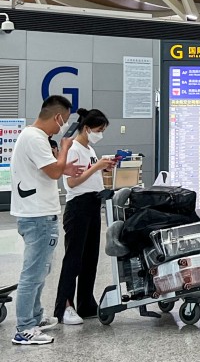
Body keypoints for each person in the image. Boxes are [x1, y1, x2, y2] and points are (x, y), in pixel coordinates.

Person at [10, 96, 79, 345]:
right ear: (58, 117)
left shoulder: (33, 137)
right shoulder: (35, 138)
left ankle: (35, 317)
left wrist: (63, 166)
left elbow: (52, 171)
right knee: (33, 273)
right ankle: (24, 328)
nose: (65, 126)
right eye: (65, 120)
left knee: (41, 270)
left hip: (38, 214)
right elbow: (53, 171)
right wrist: (65, 148)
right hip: (37, 216)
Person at [53, 109, 115, 325]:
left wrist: (101, 168)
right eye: (99, 129)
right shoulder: (73, 148)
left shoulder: (89, 149)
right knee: (74, 259)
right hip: (78, 206)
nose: (100, 134)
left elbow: (87, 174)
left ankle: (86, 303)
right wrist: (97, 166)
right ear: (87, 128)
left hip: (92, 204)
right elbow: (71, 182)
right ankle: (64, 306)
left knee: (90, 258)